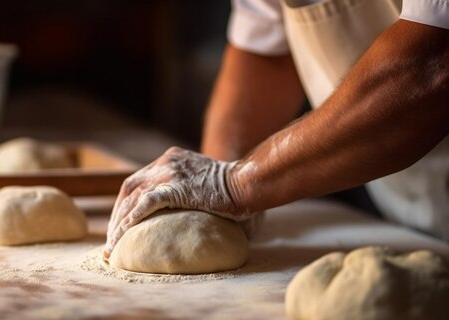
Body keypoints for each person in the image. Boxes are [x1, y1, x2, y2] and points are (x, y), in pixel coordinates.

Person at [104, 0, 449, 258]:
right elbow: (267, 54)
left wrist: (236, 184)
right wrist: (209, 190)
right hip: (410, 219)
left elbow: (429, 70)